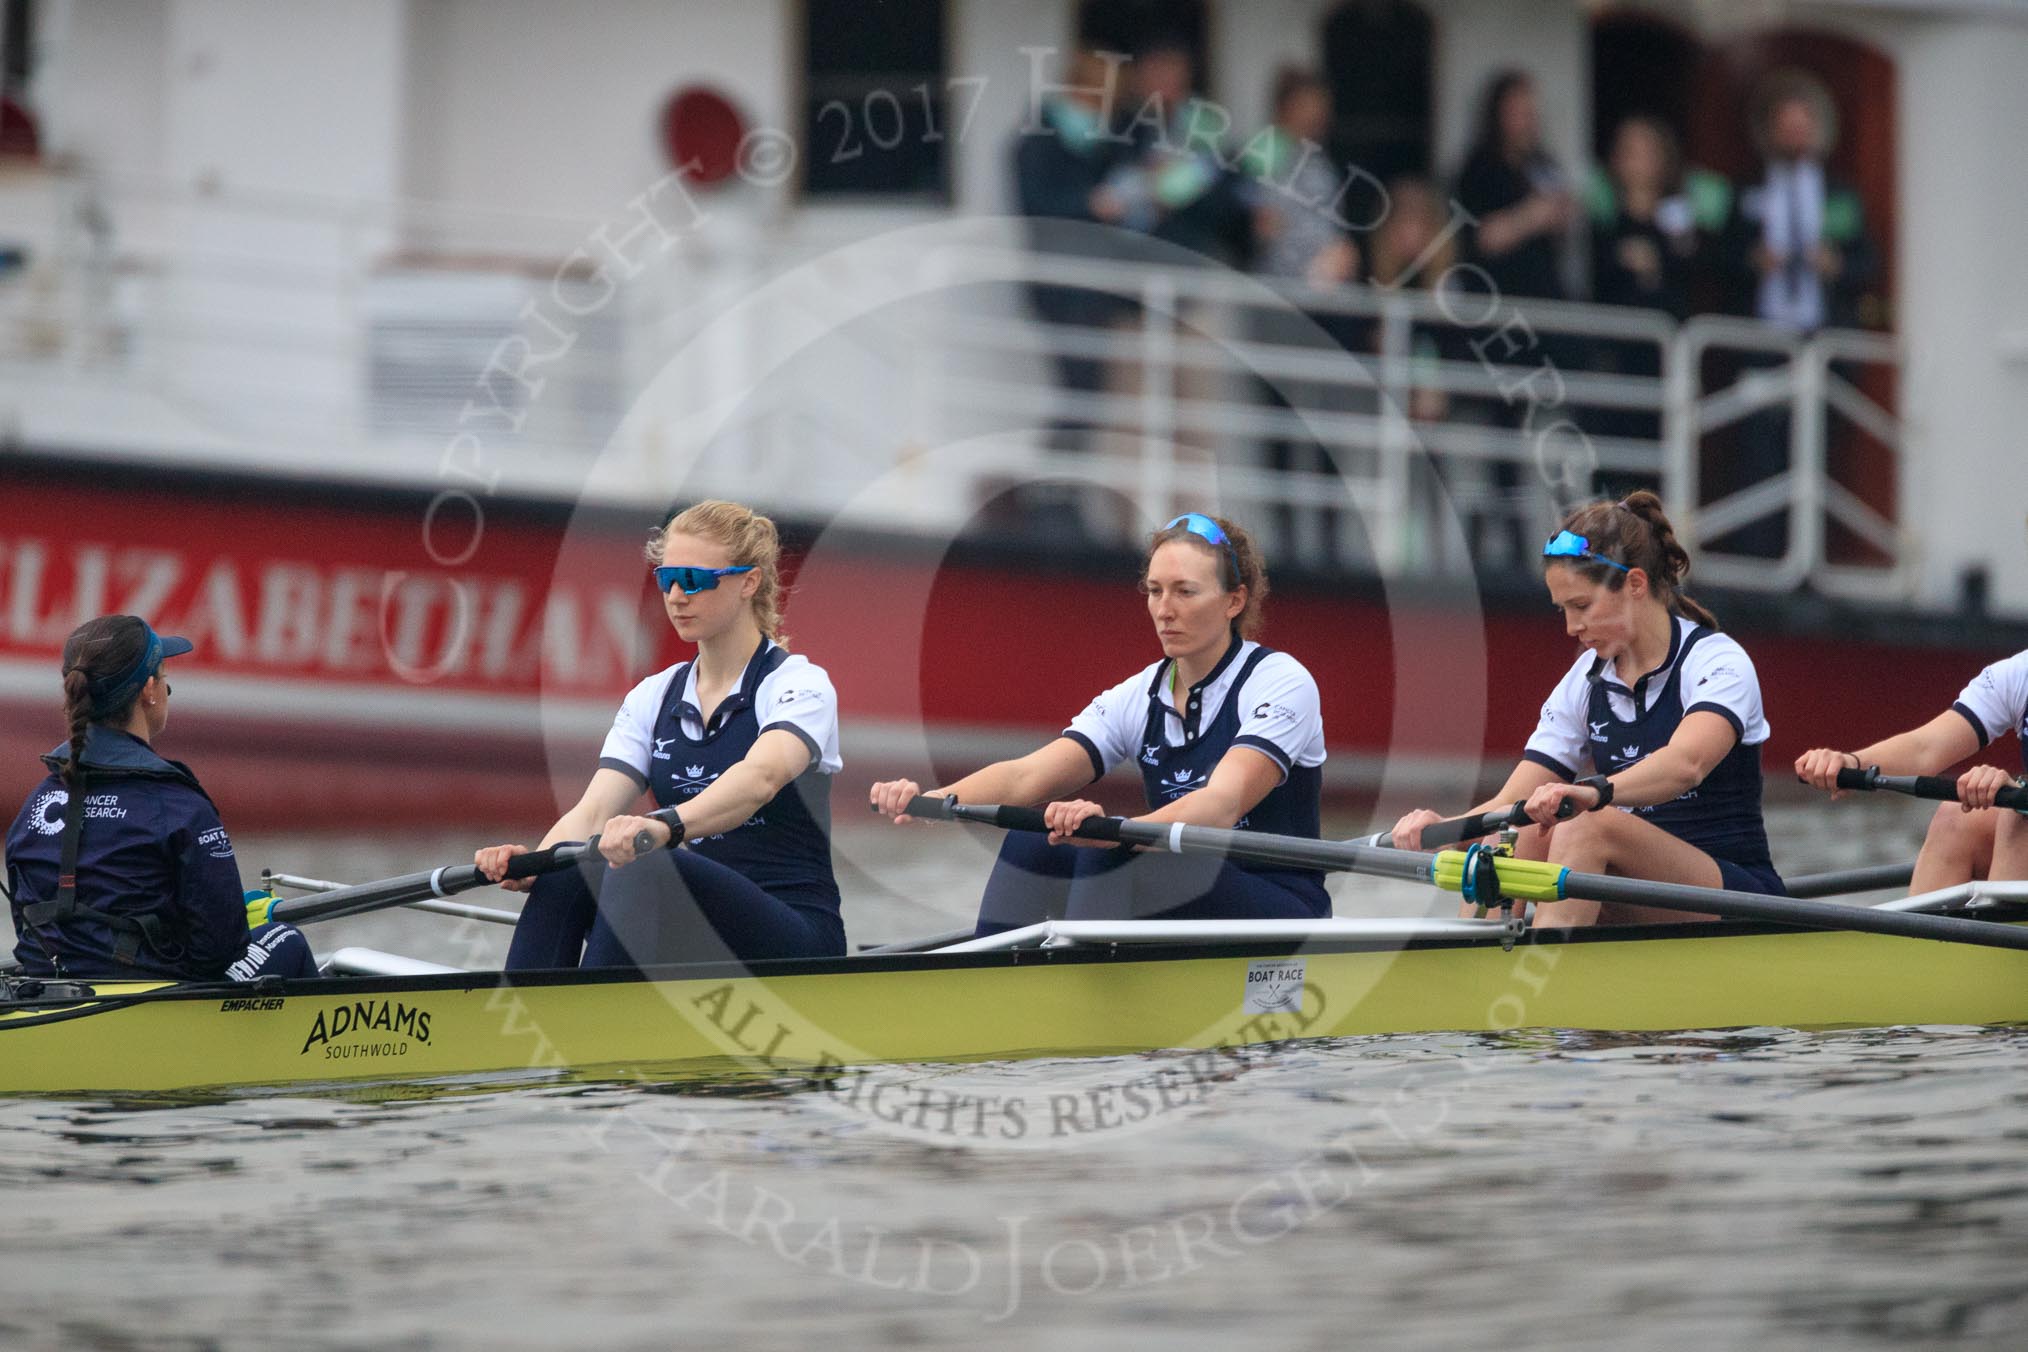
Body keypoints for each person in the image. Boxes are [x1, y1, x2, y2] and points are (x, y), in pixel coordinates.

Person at [870, 513, 1328, 935]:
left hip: (1279, 905)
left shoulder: (1281, 682)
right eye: (1154, 590)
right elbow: (1027, 776)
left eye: (1185, 591)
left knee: (1108, 852)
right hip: (1179, 890)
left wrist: (1114, 833)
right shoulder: (1139, 694)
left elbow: (1222, 804)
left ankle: (1086, 996)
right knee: (1031, 844)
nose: (1164, 609)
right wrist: (933, 800)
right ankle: (990, 987)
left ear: (1234, 600)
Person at [476, 501, 846, 969]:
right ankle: (526, 1018)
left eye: (694, 580)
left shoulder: (798, 684)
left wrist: (665, 827)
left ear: (748, 582)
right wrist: (536, 863)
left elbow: (762, 777)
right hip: (692, 923)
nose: (675, 596)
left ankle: (597, 1025)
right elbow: (592, 811)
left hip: (794, 938)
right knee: (572, 865)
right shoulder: (654, 696)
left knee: (647, 863)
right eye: (666, 578)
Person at [1389, 492, 1785, 925]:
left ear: (1635, 584)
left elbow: (1685, 765)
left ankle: (1542, 979)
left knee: (1584, 824)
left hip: (1735, 899)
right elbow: (1510, 799)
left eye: (1581, 606)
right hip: (1638, 892)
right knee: (1512, 832)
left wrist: (1594, 792)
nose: (1571, 627)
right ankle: (1476, 966)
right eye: (1563, 609)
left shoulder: (1717, 662)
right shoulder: (1586, 679)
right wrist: (1444, 830)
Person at [5, 615, 317, 981]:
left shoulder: (37, 802)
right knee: (286, 939)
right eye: (165, 677)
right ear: (149, 690)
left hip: (50, 984)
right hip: (154, 999)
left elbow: (27, 923)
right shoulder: (178, 804)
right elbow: (219, 949)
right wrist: (234, 918)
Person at [1794, 653, 2028, 893]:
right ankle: (1921, 930)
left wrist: (2018, 795)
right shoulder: (2019, 674)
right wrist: (1853, 762)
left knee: (2020, 816)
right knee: (1955, 817)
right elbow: (1924, 750)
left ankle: (1999, 927)